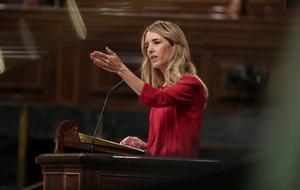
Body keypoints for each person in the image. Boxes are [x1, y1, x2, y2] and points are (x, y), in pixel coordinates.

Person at [90, 20, 208, 158]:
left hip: (179, 171)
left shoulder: (190, 83)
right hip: (158, 169)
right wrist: (146, 146)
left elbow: (158, 98)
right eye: (147, 45)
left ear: (175, 46)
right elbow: (170, 142)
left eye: (156, 42)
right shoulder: (164, 89)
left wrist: (121, 69)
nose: (150, 49)